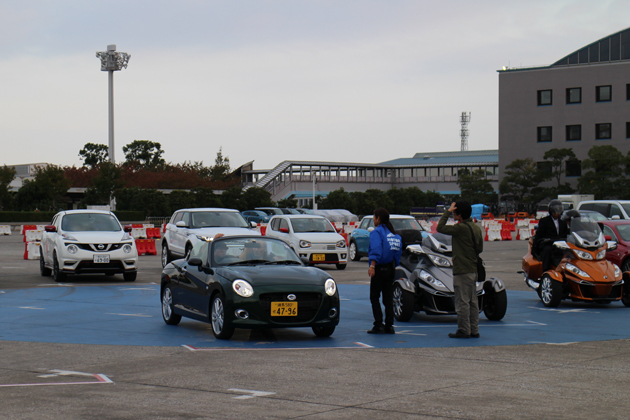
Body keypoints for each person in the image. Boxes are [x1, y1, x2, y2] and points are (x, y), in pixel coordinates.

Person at [436, 200, 483, 339]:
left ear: (460, 214)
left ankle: (464, 330)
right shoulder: (476, 228)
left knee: (462, 301)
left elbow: (440, 228)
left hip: (462, 269)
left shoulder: (460, 228)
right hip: (473, 269)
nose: (453, 214)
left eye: (455, 212)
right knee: (472, 301)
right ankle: (474, 329)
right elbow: (479, 248)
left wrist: (447, 211)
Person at [367, 208, 402, 335]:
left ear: (378, 218)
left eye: (374, 217)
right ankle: (389, 325)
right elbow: (398, 253)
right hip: (390, 269)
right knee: (388, 298)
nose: (373, 219)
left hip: (379, 269)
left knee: (374, 297)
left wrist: (372, 266)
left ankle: (378, 324)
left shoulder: (377, 233)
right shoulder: (394, 235)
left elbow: (376, 250)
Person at [534, 199, 568, 272]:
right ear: (551, 211)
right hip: (548, 243)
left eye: (559, 210)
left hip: (561, 243)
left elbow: (566, 233)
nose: (557, 213)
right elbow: (539, 234)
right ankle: (546, 270)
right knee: (547, 250)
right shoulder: (544, 221)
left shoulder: (563, 222)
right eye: (555, 210)